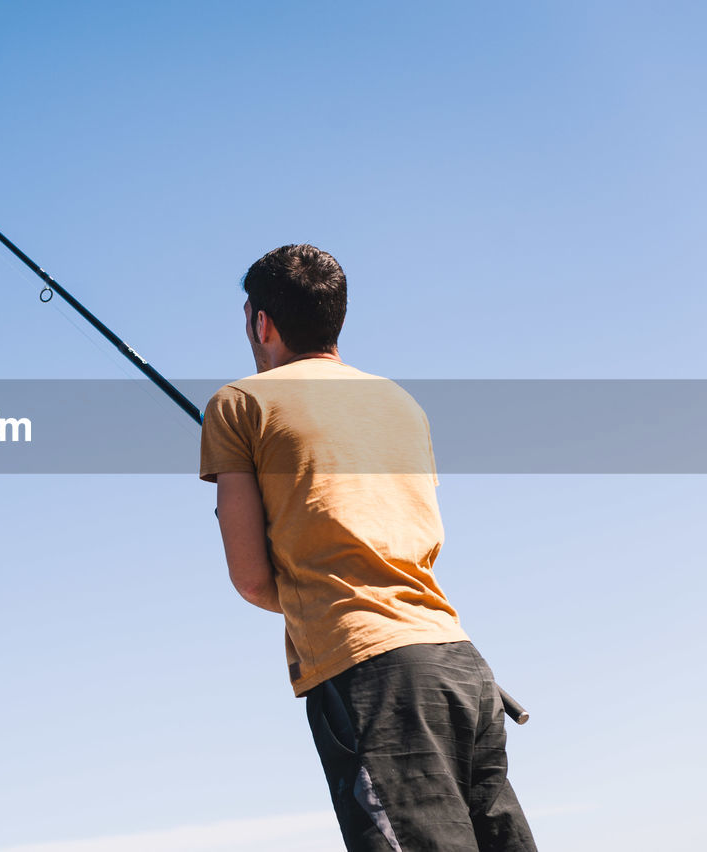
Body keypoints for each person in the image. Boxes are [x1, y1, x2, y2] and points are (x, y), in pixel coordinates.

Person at [199, 244, 536, 852]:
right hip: (461, 665)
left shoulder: (238, 404)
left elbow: (250, 577)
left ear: (262, 322)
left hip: (370, 675)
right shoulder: (401, 404)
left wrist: (319, 590)